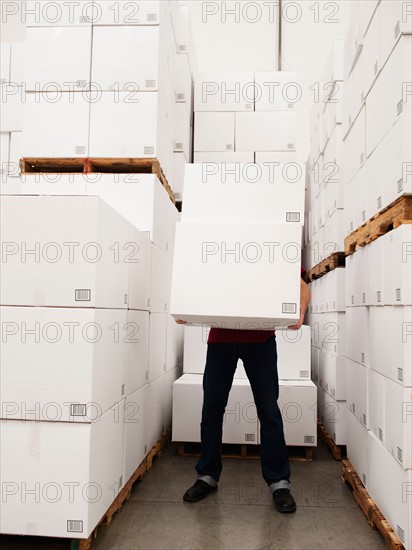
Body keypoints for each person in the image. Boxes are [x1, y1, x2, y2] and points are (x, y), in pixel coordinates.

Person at [176, 267, 311, 513]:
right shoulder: (220, 247)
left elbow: (300, 283)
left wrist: (300, 309)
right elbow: (194, 277)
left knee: (269, 411)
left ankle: (279, 482)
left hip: (260, 339)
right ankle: (207, 475)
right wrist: (183, 305)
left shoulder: (271, 245)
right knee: (212, 410)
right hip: (221, 340)